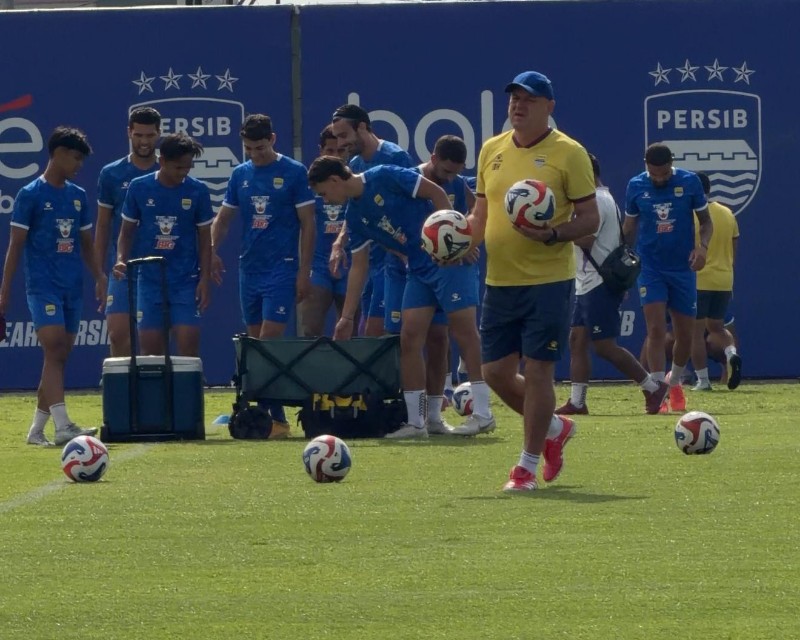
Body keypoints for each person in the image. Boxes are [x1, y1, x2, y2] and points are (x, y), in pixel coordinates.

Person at [467, 71, 600, 492]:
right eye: (514, 98)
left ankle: (525, 468)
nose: (518, 105)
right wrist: (457, 241)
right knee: (495, 373)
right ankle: (554, 429)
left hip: (548, 281)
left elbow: (590, 219)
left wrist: (553, 234)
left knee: (539, 371)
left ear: (549, 107)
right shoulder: (491, 149)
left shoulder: (569, 153)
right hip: (499, 281)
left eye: (529, 99)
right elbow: (480, 215)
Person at [307, 156, 495, 439]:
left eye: (323, 193)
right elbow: (359, 266)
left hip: (450, 263)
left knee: (462, 332)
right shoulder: (354, 217)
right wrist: (346, 318)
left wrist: (454, 241)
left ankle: (483, 414)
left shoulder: (384, 175)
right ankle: (421, 422)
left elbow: (436, 193)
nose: (325, 200)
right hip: (418, 269)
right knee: (409, 338)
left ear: (335, 180)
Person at [210, 114, 316, 431]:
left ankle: (273, 416)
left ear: (273, 139)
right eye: (248, 148)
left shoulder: (294, 172)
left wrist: (304, 271)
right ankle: (268, 415)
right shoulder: (240, 174)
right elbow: (223, 219)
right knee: (255, 343)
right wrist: (210, 250)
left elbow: (308, 224)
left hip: (282, 267)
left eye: (260, 147)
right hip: (250, 268)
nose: (254, 154)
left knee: (267, 343)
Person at [0, 127, 103, 446]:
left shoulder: (78, 196)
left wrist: (100, 277)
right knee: (55, 349)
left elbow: (87, 243)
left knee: (58, 357)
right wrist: (3, 293)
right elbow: (15, 246)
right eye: (75, 158)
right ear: (57, 154)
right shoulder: (30, 194)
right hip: (43, 286)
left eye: (81, 160)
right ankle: (63, 426)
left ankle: (36, 431)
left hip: (72, 287)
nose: (78, 165)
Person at [557, 153, 669, 415]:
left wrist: (553, 233)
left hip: (598, 282)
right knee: (577, 340)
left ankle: (653, 387)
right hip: (589, 281)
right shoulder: (601, 198)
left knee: (604, 346)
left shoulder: (597, 200)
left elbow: (586, 239)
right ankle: (577, 402)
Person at [623, 143, 713, 414]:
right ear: (646, 166)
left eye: (663, 174)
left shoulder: (690, 182)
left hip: (683, 268)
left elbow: (706, 222)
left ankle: (674, 383)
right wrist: (623, 261)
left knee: (684, 335)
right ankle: (656, 391)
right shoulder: (636, 185)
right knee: (655, 330)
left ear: (671, 165)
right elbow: (629, 227)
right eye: (654, 174)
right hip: (650, 267)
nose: (659, 179)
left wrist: (702, 248)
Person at [114, 133, 213, 357]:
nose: (183, 172)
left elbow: (205, 239)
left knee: (188, 346)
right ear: (162, 161)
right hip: (149, 280)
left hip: (185, 281)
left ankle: (189, 382)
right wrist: (120, 259)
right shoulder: (139, 187)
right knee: (151, 353)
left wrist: (204, 279)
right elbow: (126, 232)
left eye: (188, 167)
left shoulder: (198, 190)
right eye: (178, 167)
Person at [330, 103, 414, 337]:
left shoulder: (395, 157)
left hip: (396, 262)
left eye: (344, 135)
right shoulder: (355, 164)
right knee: (371, 333)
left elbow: (415, 209)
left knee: (390, 334)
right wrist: (340, 241)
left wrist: (402, 252)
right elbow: (356, 211)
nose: (340, 144)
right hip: (371, 261)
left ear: (362, 127)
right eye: (337, 137)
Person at [95, 107, 161, 356]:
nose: (144, 141)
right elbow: (103, 225)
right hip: (122, 268)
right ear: (129, 133)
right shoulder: (111, 173)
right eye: (139, 135)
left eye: (150, 135)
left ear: (159, 134)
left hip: (158, 268)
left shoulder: (167, 171)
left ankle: (152, 382)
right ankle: (122, 382)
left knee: (152, 342)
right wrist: (99, 273)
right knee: (117, 333)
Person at [299, 125, 354, 338]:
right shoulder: (309, 183)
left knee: (350, 333)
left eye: (341, 151)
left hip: (351, 264)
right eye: (330, 151)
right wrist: (303, 270)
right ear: (320, 150)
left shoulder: (355, 181)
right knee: (310, 329)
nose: (336, 156)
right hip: (319, 265)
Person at [690, 172, 741, 391]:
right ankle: (731, 353)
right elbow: (734, 249)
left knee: (695, 333)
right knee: (717, 327)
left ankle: (703, 380)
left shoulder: (690, 215)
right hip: (724, 279)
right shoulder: (727, 213)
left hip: (699, 279)